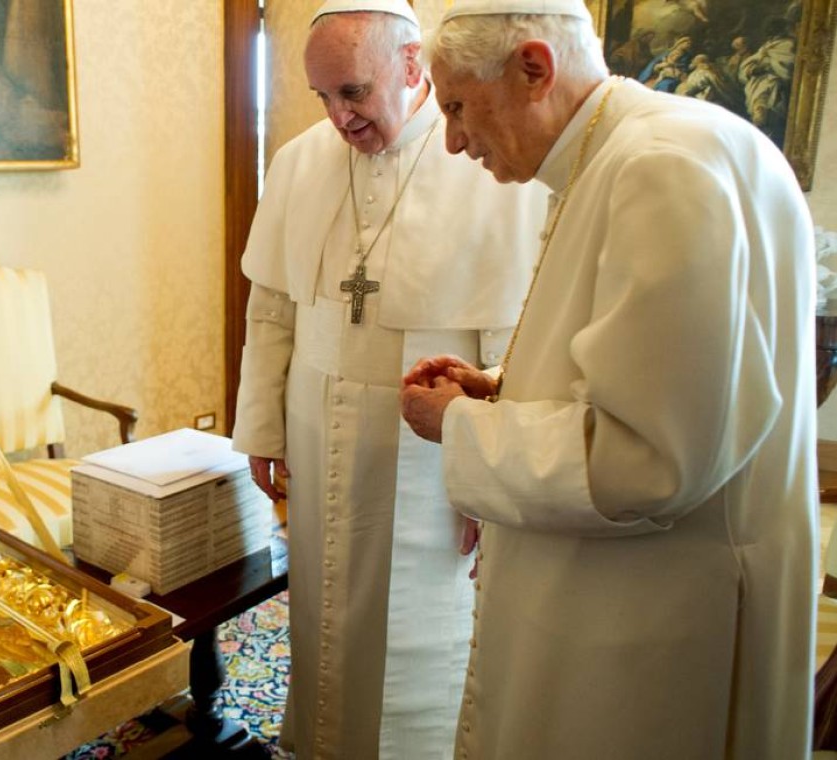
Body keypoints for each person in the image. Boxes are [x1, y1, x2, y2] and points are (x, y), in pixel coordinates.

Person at [401, 0, 817, 757]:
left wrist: (456, 426)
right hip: (642, 585)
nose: (454, 141)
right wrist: (501, 385)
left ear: (533, 67)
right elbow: (659, 373)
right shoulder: (637, 148)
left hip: (657, 608)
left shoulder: (656, 166)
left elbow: (647, 459)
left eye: (458, 107)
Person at [231, 1, 546, 756]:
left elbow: (512, 329)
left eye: (353, 92)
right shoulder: (299, 161)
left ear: (411, 70)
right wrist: (263, 429)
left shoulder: (483, 155)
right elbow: (271, 308)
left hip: (430, 442)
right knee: (321, 613)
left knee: (423, 629)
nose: (338, 118)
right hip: (315, 423)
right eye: (323, 96)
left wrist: (492, 473)